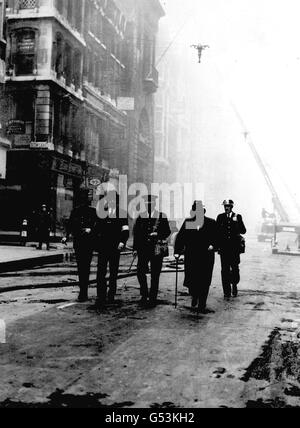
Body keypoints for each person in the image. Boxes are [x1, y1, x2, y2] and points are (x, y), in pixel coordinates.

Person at [174, 201, 218, 314]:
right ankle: (194, 295)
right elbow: (180, 237)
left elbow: (217, 237)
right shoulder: (189, 222)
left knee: (205, 279)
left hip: (206, 256)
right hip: (192, 255)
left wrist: (213, 245)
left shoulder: (211, 222)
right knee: (192, 279)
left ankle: (202, 303)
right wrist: (177, 251)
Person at [133, 195, 171, 308]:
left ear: (155, 204)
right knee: (140, 272)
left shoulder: (161, 216)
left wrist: (158, 234)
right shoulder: (141, 216)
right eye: (147, 204)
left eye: (151, 204)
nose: (149, 206)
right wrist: (135, 248)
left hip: (156, 249)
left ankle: (153, 297)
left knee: (155, 274)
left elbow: (168, 231)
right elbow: (136, 233)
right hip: (143, 249)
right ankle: (144, 294)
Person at [94, 191, 129, 309]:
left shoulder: (122, 213)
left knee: (113, 272)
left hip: (115, 247)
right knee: (101, 272)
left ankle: (111, 294)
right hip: (103, 247)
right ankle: (101, 295)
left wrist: (122, 242)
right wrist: (96, 243)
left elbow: (125, 231)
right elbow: (96, 229)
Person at [64, 189, 98, 303]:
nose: (87, 200)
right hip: (78, 242)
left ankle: (84, 292)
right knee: (80, 267)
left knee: (86, 267)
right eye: (86, 197)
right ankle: (82, 291)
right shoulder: (76, 211)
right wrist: (66, 236)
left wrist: (91, 229)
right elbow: (70, 225)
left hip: (88, 243)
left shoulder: (93, 212)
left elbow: (98, 226)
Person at [216, 199, 247, 299]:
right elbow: (216, 232)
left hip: (234, 249)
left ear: (231, 207)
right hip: (224, 249)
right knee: (224, 270)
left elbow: (243, 231)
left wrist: (237, 222)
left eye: (228, 206)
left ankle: (234, 285)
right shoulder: (220, 217)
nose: (226, 208)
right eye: (225, 206)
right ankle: (226, 291)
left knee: (235, 269)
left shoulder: (237, 216)